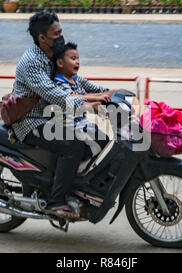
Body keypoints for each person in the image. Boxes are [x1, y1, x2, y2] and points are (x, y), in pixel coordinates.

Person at [10, 12, 110, 219]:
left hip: (51, 118)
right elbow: (58, 96)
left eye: (61, 32)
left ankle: (71, 183)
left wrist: (107, 92)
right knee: (73, 144)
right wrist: (91, 103)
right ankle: (56, 201)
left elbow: (76, 80)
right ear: (42, 38)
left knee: (98, 136)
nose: (61, 38)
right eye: (56, 34)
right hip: (31, 122)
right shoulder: (32, 62)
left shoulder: (51, 55)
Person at [53, 42, 112, 173]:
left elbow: (93, 90)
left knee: (105, 138)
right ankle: (77, 171)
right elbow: (73, 98)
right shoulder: (58, 82)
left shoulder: (76, 79)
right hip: (68, 126)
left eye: (78, 59)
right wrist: (97, 98)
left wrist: (110, 93)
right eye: (73, 59)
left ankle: (84, 166)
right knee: (97, 143)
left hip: (81, 123)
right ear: (60, 63)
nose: (77, 62)